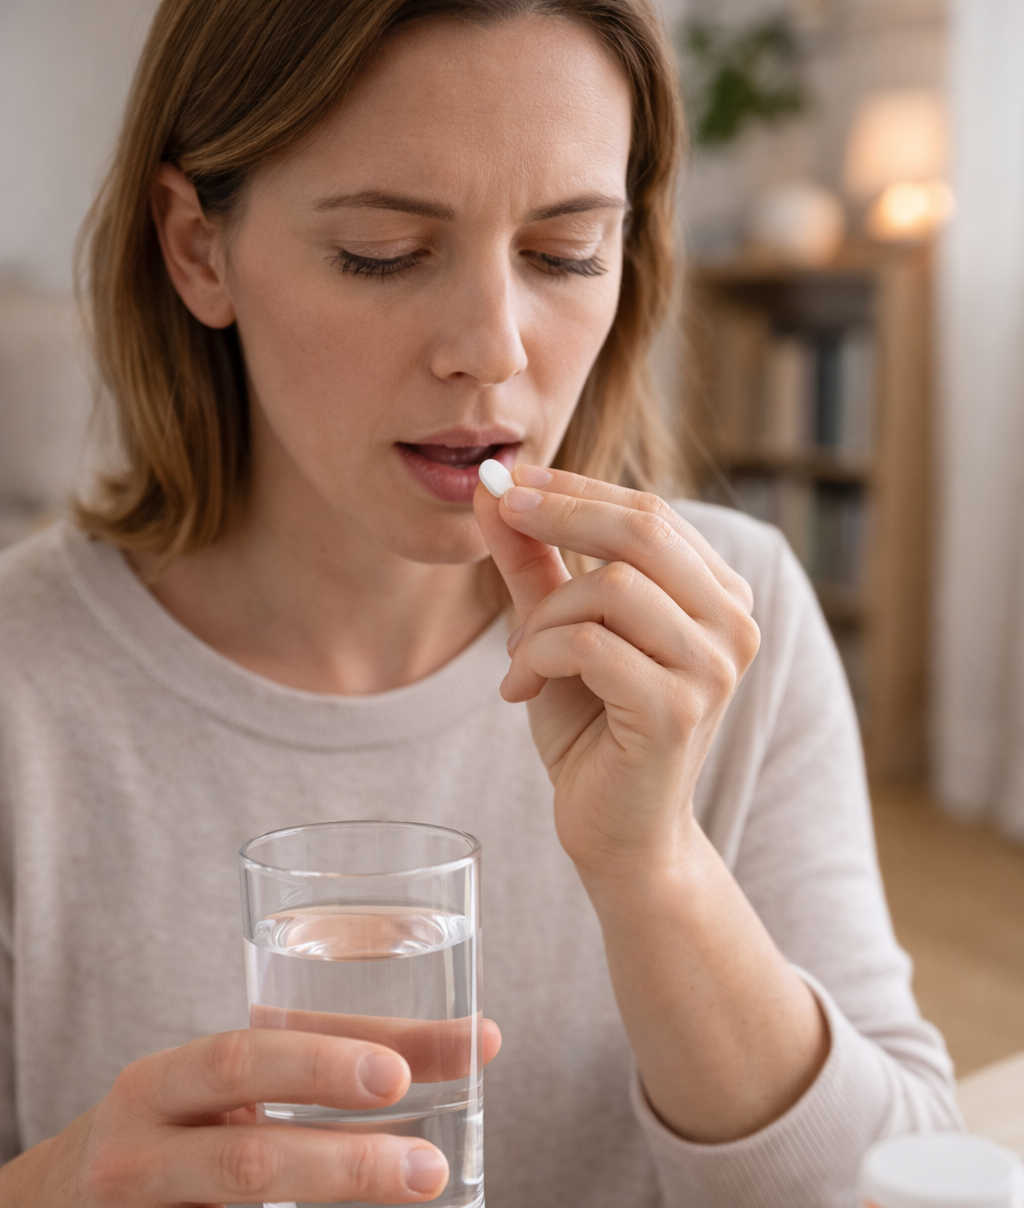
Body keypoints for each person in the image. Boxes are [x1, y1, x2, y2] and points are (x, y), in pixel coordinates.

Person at [0, 1, 960, 1205]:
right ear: (198, 247)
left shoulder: (729, 616)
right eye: (383, 254)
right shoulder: (21, 688)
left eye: (565, 253)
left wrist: (656, 871)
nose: (492, 349)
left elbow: (900, 1172)